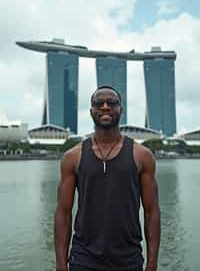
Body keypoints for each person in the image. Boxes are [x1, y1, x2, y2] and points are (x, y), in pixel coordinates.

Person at [54, 86, 160, 271]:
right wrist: (61, 264)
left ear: (121, 109)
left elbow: (151, 212)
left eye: (111, 103)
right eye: (98, 103)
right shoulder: (73, 157)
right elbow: (63, 212)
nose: (105, 107)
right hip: (84, 258)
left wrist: (152, 263)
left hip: (128, 258)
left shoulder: (142, 156)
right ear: (91, 111)